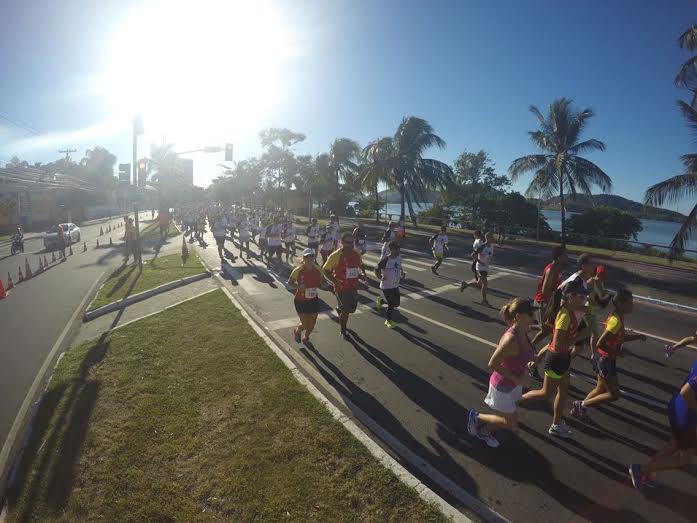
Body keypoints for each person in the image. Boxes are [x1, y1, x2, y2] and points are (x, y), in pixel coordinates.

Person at [519, 280, 589, 438]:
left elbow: (590, 307)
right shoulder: (565, 316)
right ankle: (514, 400)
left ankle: (556, 424)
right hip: (557, 359)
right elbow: (557, 345)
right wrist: (580, 336)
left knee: (563, 391)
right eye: (580, 297)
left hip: (563, 359)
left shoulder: (572, 309)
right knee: (545, 394)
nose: (583, 300)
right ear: (570, 297)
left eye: (585, 297)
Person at [468, 298, 536, 448]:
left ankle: (488, 428)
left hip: (514, 384)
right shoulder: (511, 340)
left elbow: (523, 355)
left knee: (507, 415)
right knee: (510, 423)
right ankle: (476, 418)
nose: (534, 317)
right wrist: (515, 379)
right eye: (530, 314)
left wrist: (530, 362)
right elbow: (492, 363)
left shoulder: (524, 331)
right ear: (518, 316)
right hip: (503, 386)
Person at [571, 289, 646, 421]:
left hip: (606, 359)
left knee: (600, 389)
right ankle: (581, 405)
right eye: (630, 302)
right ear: (621, 304)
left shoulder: (617, 316)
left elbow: (620, 337)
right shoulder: (616, 321)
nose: (632, 305)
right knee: (614, 395)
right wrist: (616, 352)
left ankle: (579, 409)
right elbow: (600, 343)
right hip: (606, 361)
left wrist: (637, 337)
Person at [629, 358, 697, 491]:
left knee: (675, 444)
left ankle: (645, 473)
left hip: (680, 410)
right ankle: (641, 470)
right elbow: (686, 392)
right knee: (683, 460)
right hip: (686, 417)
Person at [527, 253, 595, 381]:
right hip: (567, 319)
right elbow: (564, 302)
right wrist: (586, 309)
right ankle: (534, 364)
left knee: (578, 347)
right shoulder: (575, 280)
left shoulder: (583, 280)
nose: (594, 266)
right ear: (584, 266)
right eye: (592, 264)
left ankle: (563, 362)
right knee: (553, 345)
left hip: (576, 319)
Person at [322, 232, 366, 340]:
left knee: (352, 310)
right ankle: (343, 330)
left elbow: (361, 264)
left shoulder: (356, 253)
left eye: (352, 242)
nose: (350, 244)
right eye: (347, 242)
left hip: (353, 286)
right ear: (342, 242)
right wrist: (334, 281)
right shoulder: (336, 255)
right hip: (341, 287)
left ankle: (339, 310)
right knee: (346, 310)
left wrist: (363, 273)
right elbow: (325, 270)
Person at [287, 248, 322, 344]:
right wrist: (298, 286)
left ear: (314, 257)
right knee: (306, 324)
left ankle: (306, 337)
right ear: (304, 258)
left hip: (313, 299)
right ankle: (297, 331)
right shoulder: (298, 270)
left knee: (313, 322)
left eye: (311, 256)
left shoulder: (318, 269)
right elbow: (290, 282)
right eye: (307, 256)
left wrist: (324, 283)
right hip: (300, 300)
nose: (310, 258)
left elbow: (322, 281)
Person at [585, 265, 611, 370]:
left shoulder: (601, 283)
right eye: (600, 275)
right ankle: (594, 356)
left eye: (603, 276)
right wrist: (598, 303)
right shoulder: (592, 282)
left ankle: (572, 344)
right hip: (587, 310)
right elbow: (586, 296)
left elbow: (602, 293)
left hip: (594, 311)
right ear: (597, 274)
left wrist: (607, 295)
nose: (602, 277)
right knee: (595, 334)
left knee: (583, 334)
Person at [375, 240, 405, 329]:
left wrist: (402, 272)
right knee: (391, 304)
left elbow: (399, 265)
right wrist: (380, 277)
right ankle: (388, 320)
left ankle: (381, 301)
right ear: (391, 250)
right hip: (386, 286)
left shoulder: (399, 257)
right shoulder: (385, 260)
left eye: (398, 248)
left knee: (396, 304)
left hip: (395, 285)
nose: (398, 250)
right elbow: (376, 269)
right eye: (396, 249)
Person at [463, 231, 494, 307]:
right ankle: (484, 300)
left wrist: (487, 261)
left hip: (486, 267)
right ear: (488, 238)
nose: (493, 239)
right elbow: (473, 255)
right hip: (480, 267)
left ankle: (466, 284)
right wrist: (480, 261)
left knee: (479, 284)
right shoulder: (482, 246)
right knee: (485, 283)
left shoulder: (492, 246)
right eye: (492, 237)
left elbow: (489, 256)